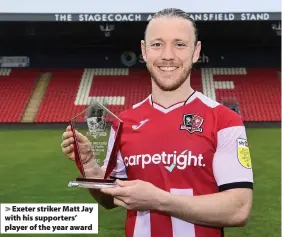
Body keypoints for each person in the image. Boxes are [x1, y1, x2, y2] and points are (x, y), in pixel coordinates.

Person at [61, 8, 253, 237]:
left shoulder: (225, 120)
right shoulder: (124, 123)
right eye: (157, 44)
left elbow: (238, 209)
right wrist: (91, 168)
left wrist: (159, 200)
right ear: (144, 51)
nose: (168, 55)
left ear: (196, 51)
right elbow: (110, 199)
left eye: (180, 44)